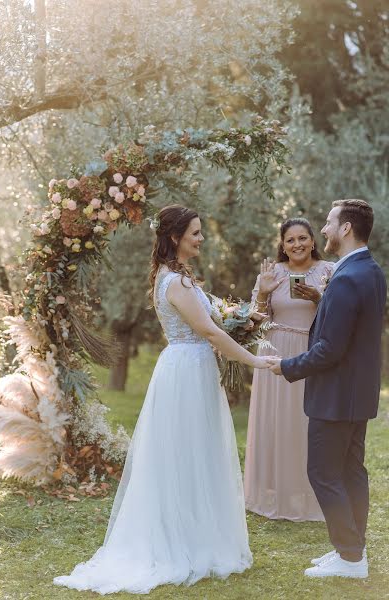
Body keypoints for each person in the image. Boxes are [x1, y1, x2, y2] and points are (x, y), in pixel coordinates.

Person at [54, 204, 274, 595]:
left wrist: (247, 311)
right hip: (188, 370)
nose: (201, 238)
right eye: (195, 232)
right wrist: (255, 360)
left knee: (194, 452)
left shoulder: (174, 278)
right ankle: (182, 544)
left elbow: (217, 324)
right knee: (185, 454)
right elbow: (209, 332)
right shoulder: (176, 282)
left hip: (189, 368)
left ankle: (196, 535)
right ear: (175, 237)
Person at [268, 199, 386, 579]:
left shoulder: (348, 276)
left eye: (329, 221)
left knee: (323, 472)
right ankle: (352, 552)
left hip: (335, 395)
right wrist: (322, 300)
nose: (324, 229)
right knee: (351, 472)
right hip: (357, 393)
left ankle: (350, 557)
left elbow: (330, 349)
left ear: (347, 228)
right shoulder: (371, 271)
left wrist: (285, 366)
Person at [244, 218, 333, 521]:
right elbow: (251, 323)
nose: (297, 245)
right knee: (276, 421)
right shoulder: (272, 273)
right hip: (275, 352)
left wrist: (320, 299)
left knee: (307, 422)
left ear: (313, 240)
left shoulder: (329, 270)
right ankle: (276, 493)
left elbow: (339, 318)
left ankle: (310, 494)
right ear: (282, 244)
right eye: (290, 240)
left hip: (311, 354)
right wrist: (262, 293)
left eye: (303, 238)